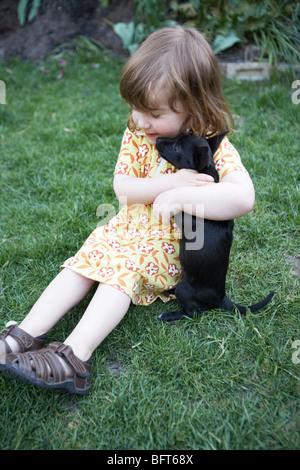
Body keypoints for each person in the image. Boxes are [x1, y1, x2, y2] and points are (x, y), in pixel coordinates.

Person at [0, 26, 255, 394]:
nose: (139, 120)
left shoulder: (210, 144)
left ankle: (74, 358)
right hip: (126, 228)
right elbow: (123, 189)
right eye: (134, 107)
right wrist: (170, 183)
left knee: (119, 272)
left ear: (194, 105)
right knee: (83, 262)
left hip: (170, 245)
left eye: (152, 112)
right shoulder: (138, 133)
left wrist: (183, 198)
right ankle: (24, 335)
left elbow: (242, 197)